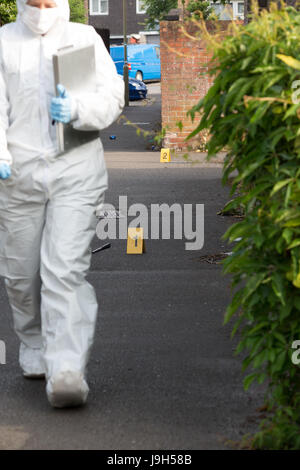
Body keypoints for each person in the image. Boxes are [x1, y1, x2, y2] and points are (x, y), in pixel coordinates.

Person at [0, 0, 124, 408]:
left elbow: (112, 97)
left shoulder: (83, 38)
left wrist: (78, 110)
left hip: (75, 172)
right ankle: (33, 341)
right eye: (34, 1)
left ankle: (67, 370)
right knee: (20, 274)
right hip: (18, 174)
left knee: (64, 270)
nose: (41, 7)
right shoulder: (3, 42)